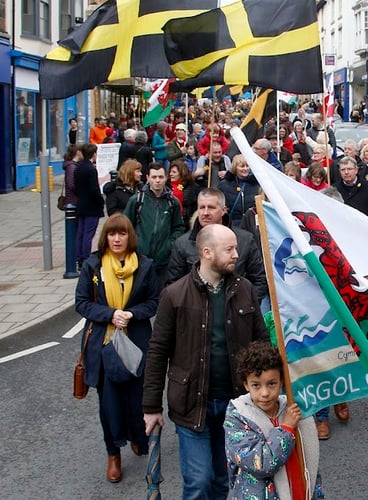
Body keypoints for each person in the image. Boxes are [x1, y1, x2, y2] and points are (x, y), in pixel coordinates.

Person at [143, 224, 270, 500]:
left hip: (235, 405)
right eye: (230, 249)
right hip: (191, 404)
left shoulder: (245, 289)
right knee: (199, 482)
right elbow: (157, 352)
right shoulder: (174, 295)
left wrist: (275, 388)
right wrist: (151, 407)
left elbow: (262, 344)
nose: (237, 254)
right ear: (207, 252)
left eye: (236, 248)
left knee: (223, 480)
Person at [75, 214, 159, 483]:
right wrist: (110, 314)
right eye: (112, 234)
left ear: (129, 236)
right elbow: (82, 302)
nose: (117, 239)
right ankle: (113, 454)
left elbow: (154, 302)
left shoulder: (144, 266)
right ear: (106, 237)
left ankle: (137, 436)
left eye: (122, 234)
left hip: (136, 341)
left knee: (137, 399)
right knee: (109, 404)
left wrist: (131, 314)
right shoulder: (93, 265)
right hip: (104, 345)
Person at [224, 341, 325, 500]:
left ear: (282, 382)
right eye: (256, 385)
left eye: (271, 384)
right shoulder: (237, 417)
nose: (265, 393)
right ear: (246, 384)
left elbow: (309, 458)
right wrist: (286, 429)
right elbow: (262, 463)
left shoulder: (293, 409)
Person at [166, 188, 268, 306]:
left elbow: (260, 279)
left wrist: (244, 304)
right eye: (201, 207)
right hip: (196, 316)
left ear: (223, 210)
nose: (205, 213)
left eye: (211, 207)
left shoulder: (245, 240)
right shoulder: (182, 244)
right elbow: (174, 284)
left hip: (236, 314)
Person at [123, 163, 185, 289]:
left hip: (163, 262)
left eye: (161, 177)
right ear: (148, 178)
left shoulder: (172, 203)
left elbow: (178, 227)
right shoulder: (137, 201)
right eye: (154, 177)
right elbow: (125, 226)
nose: (157, 181)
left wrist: (170, 244)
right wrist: (135, 244)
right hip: (138, 259)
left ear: (166, 178)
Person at [73, 143, 105, 269]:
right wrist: (101, 201)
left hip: (81, 203)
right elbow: (94, 189)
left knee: (80, 232)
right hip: (91, 205)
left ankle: (79, 258)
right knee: (88, 234)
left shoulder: (78, 168)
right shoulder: (91, 169)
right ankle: (85, 258)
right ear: (93, 154)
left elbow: (75, 187)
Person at [334, 156, 368, 223]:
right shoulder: (334, 189)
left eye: (349, 169)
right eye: (343, 170)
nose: (346, 172)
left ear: (356, 170)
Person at [219, 155, 259, 227]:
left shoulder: (256, 185)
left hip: (251, 225)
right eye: (242, 166)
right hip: (231, 224)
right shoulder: (224, 185)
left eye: (247, 166)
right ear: (235, 167)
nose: (245, 169)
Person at [169, 158, 201, 228]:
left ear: (181, 173)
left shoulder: (192, 186)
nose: (171, 174)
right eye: (170, 172)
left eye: (174, 172)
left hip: (186, 222)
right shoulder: (167, 186)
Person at [63, 144, 80, 208]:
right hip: (73, 201)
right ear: (78, 152)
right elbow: (72, 185)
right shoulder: (71, 167)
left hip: (74, 200)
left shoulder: (74, 165)